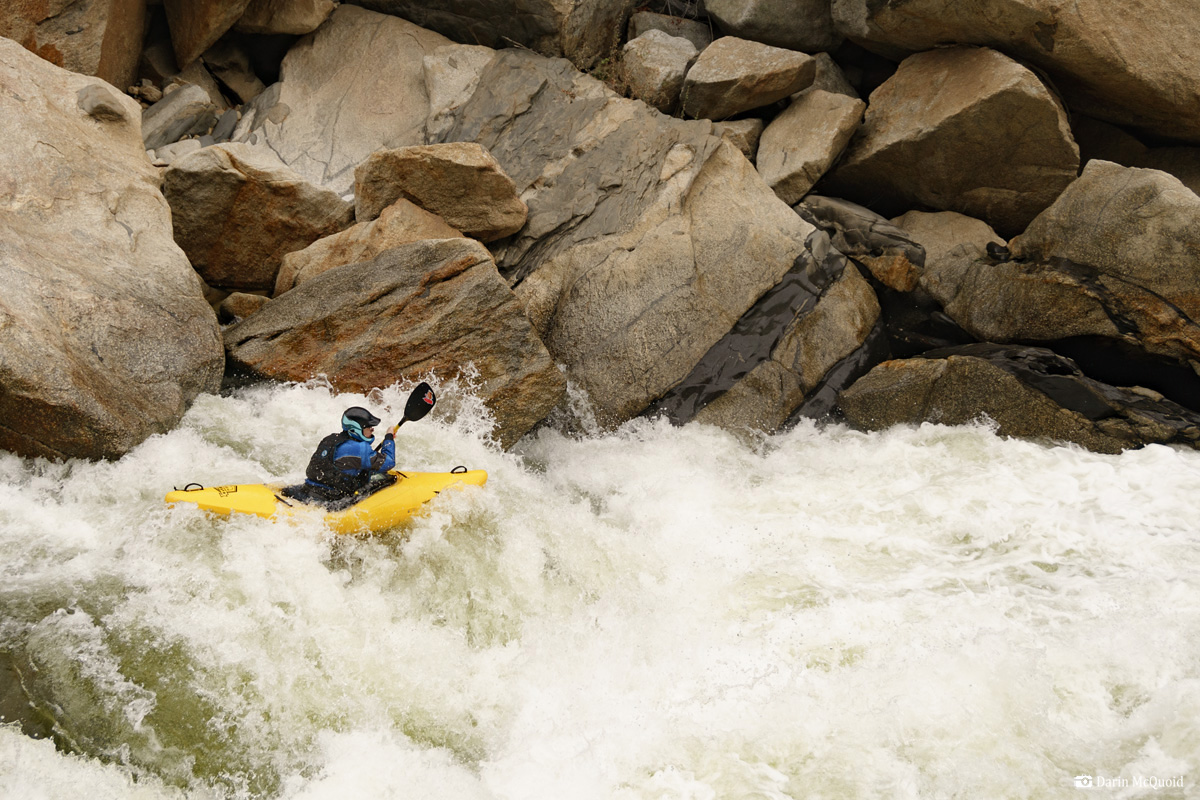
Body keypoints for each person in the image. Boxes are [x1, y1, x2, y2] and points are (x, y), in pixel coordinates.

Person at [290, 406, 397, 507]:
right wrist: (389, 438)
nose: (372, 429)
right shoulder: (359, 449)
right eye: (369, 427)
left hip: (309, 490)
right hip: (331, 500)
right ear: (356, 429)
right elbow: (389, 462)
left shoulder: (330, 439)